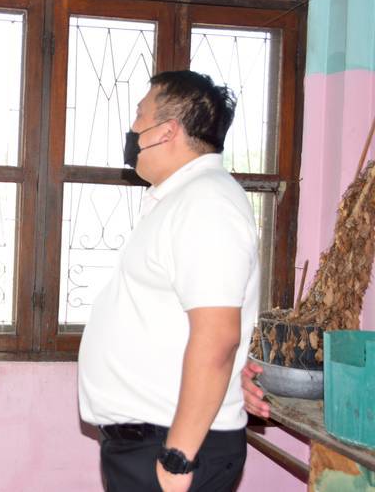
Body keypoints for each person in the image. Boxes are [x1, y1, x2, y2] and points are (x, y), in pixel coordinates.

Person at [78, 70, 260, 492]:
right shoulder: (184, 198)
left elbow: (218, 337)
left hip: (172, 447)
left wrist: (177, 458)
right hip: (152, 440)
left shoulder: (206, 203)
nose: (132, 129)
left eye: (139, 116)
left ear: (167, 131)